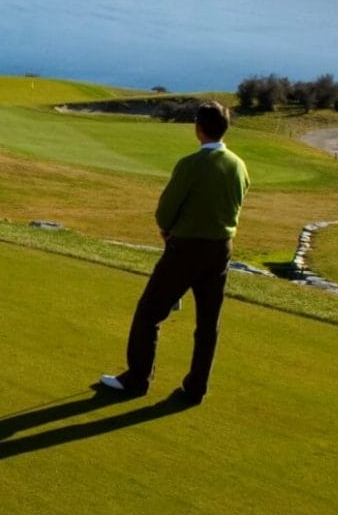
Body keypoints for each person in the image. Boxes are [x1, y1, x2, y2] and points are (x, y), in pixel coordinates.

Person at [99, 100, 249, 405]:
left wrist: (167, 230)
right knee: (208, 322)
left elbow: (166, 211)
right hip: (221, 249)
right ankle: (196, 388)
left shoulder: (191, 164)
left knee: (149, 312)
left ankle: (137, 378)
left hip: (186, 249)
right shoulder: (239, 165)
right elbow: (236, 203)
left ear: (198, 128)